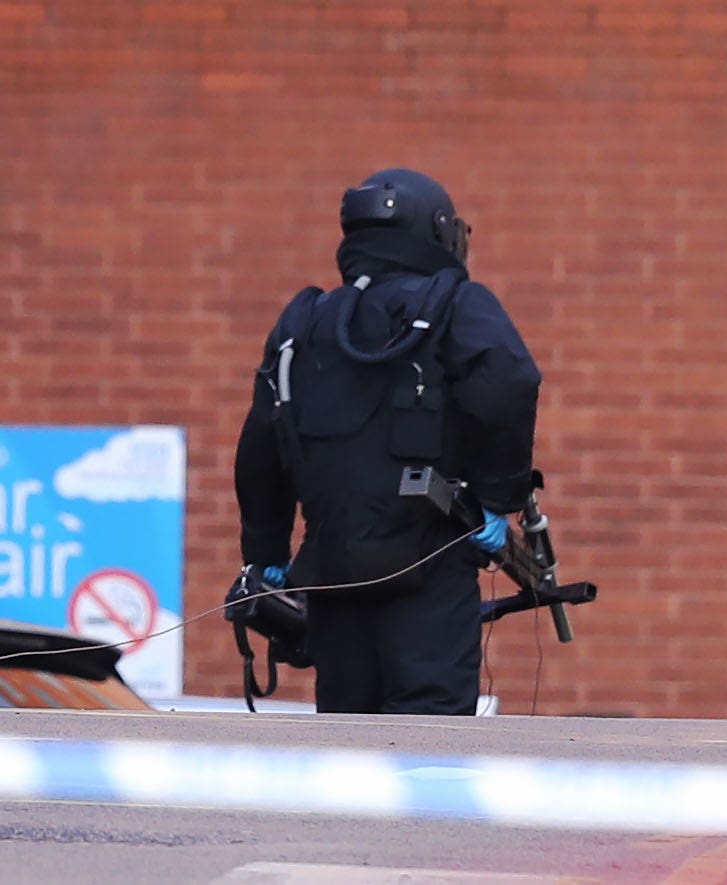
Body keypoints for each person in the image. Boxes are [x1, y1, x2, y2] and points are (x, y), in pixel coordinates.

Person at [232, 168, 542, 714]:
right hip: (430, 573)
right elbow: (510, 378)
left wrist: (265, 554)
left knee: (350, 751)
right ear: (440, 233)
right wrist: (499, 497)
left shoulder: (300, 325)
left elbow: (261, 446)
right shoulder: (457, 305)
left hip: (332, 582)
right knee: (430, 750)